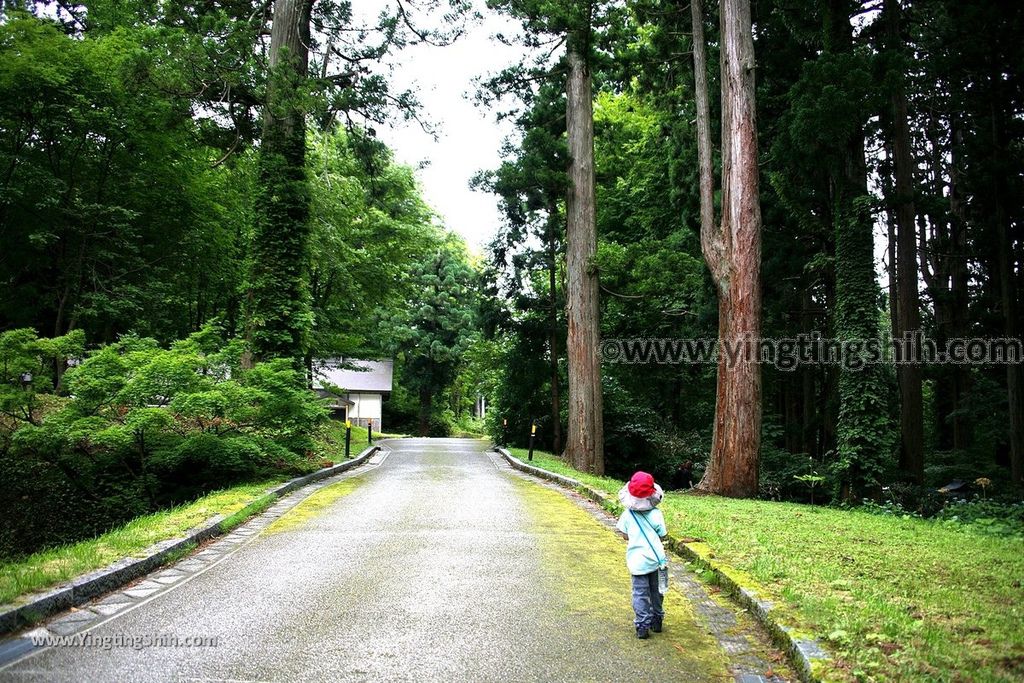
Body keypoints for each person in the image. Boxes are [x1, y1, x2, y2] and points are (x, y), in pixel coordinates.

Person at [616, 471, 668, 639]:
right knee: (656, 591)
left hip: (637, 562)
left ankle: (642, 625)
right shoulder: (656, 514)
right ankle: (657, 620)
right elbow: (662, 535)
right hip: (656, 560)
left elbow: (624, 534)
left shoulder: (627, 515)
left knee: (640, 593)